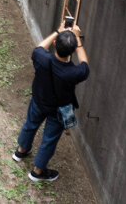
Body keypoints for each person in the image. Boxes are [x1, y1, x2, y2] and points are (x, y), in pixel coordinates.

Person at [13, 24, 89, 182]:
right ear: (73, 51)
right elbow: (85, 65)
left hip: (39, 100)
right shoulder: (73, 72)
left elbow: (39, 47)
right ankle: (37, 171)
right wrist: (77, 40)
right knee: (49, 139)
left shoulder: (42, 58)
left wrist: (58, 32)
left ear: (55, 44)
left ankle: (21, 151)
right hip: (60, 110)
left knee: (30, 124)